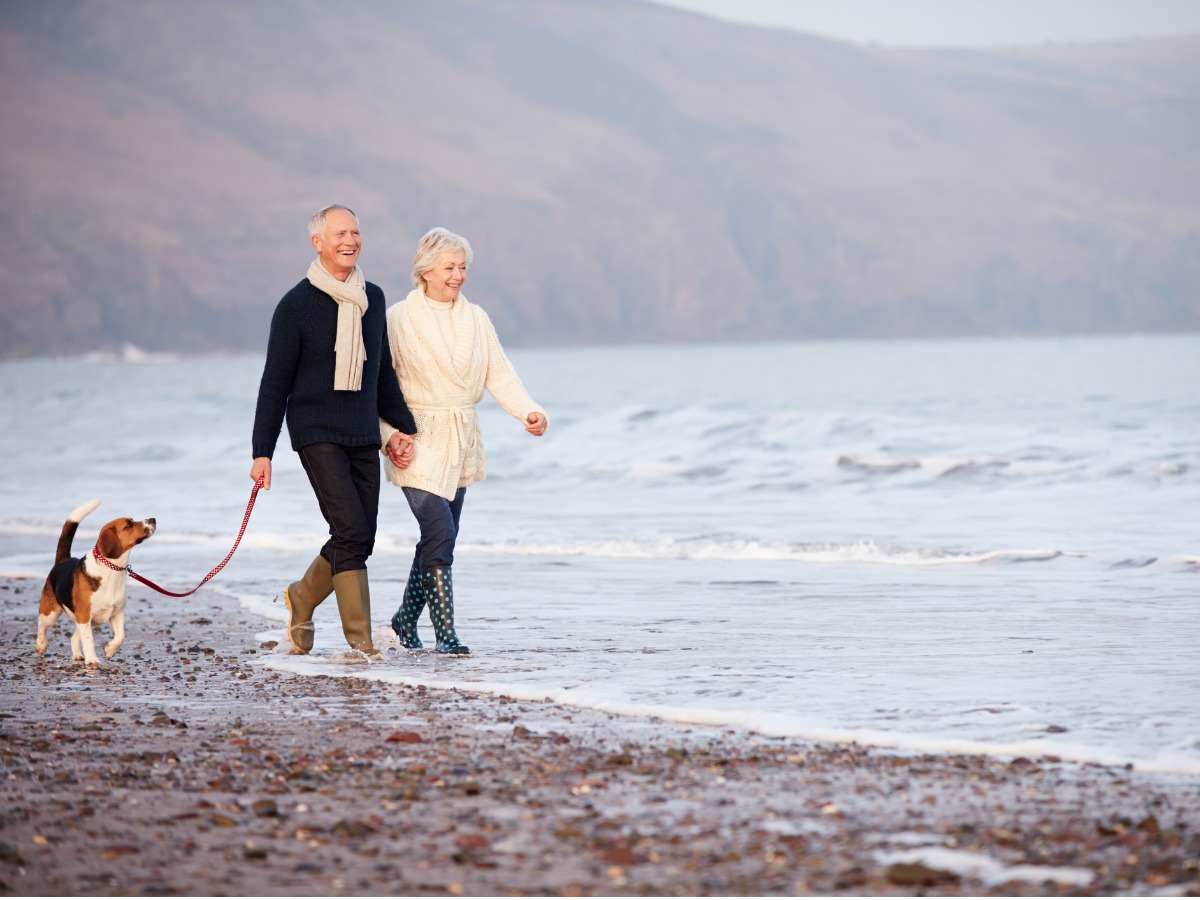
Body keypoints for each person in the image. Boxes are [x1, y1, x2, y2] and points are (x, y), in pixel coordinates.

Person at [250, 204, 416, 657]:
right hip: (315, 431)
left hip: (362, 431)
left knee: (360, 536)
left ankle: (302, 596)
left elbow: (381, 375)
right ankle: (361, 642)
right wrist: (262, 451)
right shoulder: (295, 306)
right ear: (317, 242)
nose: (350, 240)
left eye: (356, 232)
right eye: (340, 233)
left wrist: (404, 429)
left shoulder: (373, 298)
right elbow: (274, 383)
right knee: (348, 527)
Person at [381, 227, 548, 657]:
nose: (458, 275)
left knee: (441, 537)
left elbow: (499, 372)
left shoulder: (476, 318)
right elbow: (381, 384)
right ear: (426, 271)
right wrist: (388, 435)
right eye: (450, 267)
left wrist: (528, 410)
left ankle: (402, 622)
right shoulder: (399, 318)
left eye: (463, 267)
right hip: (415, 438)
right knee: (439, 529)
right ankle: (446, 636)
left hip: (461, 439)